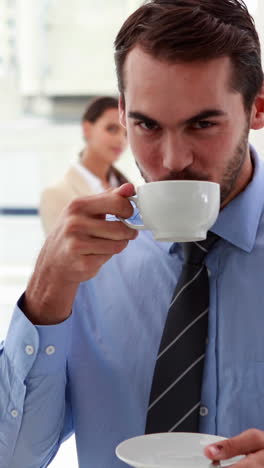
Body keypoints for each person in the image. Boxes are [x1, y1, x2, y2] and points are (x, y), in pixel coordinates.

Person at [1, 0, 264, 466]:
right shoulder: (86, 264)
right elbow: (14, 457)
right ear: (123, 114)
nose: (171, 160)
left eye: (202, 124)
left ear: (257, 108)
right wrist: (44, 295)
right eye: (147, 125)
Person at [39, 96, 128, 235]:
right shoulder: (55, 194)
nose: (121, 140)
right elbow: (61, 255)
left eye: (127, 134)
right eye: (111, 129)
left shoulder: (130, 188)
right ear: (87, 129)